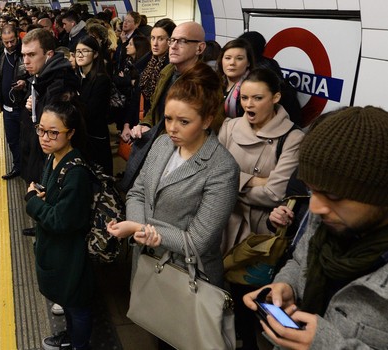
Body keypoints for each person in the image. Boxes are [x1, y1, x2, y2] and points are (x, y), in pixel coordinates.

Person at [243, 106, 388, 349]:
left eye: (332, 194)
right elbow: (301, 262)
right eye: (312, 190)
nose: (315, 207)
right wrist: (287, 286)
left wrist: (325, 345)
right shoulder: (327, 218)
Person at [106, 61, 238, 308]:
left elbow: (197, 242)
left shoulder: (222, 168)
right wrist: (141, 230)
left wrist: (138, 228)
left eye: (184, 122)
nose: (172, 128)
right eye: (168, 118)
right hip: (148, 263)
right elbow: (137, 192)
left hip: (188, 276)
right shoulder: (162, 144)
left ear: (207, 120)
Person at [218, 68, 305, 349]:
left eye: (258, 98)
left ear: (276, 97)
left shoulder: (292, 137)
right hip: (222, 221)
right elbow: (213, 175)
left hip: (258, 234)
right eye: (244, 98)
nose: (249, 105)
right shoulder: (230, 127)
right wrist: (252, 180)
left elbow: (274, 194)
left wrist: (233, 182)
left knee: (253, 296)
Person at [25, 101, 94, 350]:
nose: (45, 138)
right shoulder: (54, 158)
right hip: (57, 250)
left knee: (77, 305)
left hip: (71, 255)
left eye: (53, 132)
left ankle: (79, 345)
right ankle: (71, 337)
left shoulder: (76, 173)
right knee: (68, 302)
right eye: (41, 130)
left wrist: (32, 202)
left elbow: (60, 220)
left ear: (71, 133)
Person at [119, 21, 206, 193]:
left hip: (179, 154)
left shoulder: (204, 82)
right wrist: (146, 124)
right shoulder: (167, 71)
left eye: (182, 41)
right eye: (172, 40)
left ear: (200, 48)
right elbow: (155, 109)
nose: (173, 46)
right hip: (158, 144)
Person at [21, 28, 80, 236]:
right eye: (24, 55)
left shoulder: (58, 83)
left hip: (55, 153)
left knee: (52, 193)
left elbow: (55, 124)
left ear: (49, 55)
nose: (25, 61)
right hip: (45, 150)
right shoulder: (41, 78)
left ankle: (45, 229)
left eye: (31, 55)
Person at [0, 25, 29, 179]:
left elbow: (34, 74)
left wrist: (25, 83)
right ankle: (18, 166)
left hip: (22, 107)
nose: (9, 45)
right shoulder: (1, 53)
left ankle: (30, 170)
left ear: (17, 37)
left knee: (27, 141)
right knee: (12, 141)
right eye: (6, 42)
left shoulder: (25, 54)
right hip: (7, 108)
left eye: (12, 41)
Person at [74, 36, 113, 175]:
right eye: (78, 51)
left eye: (85, 51)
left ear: (95, 54)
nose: (80, 54)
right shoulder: (78, 77)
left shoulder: (102, 80)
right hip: (82, 134)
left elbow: (91, 111)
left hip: (95, 136)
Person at [113, 35, 151, 139]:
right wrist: (130, 81)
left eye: (130, 44)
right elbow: (116, 79)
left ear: (138, 48)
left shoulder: (146, 69)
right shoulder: (127, 63)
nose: (126, 47)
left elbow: (136, 94)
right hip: (125, 106)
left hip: (138, 112)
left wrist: (126, 80)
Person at [218, 38, 256, 118]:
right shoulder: (215, 83)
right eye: (228, 58)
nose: (232, 63)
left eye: (239, 58)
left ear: (248, 62)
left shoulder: (253, 88)